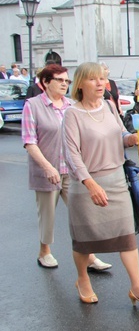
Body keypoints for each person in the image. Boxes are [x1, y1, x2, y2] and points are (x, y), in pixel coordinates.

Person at [63, 62, 139, 309]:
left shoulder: (108, 105)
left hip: (116, 181)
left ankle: (137, 287)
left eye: (102, 79)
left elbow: (120, 136)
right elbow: (72, 155)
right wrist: (90, 184)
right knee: (85, 242)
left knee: (127, 239)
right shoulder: (72, 114)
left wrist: (134, 138)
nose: (100, 84)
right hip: (87, 186)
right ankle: (83, 279)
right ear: (80, 84)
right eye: (93, 79)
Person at [22, 64, 111, 272]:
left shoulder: (71, 105)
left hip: (71, 171)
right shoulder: (33, 106)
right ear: (45, 82)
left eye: (67, 81)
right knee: (48, 215)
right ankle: (44, 251)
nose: (64, 84)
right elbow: (29, 141)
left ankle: (89, 256)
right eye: (59, 80)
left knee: (82, 212)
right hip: (48, 171)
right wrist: (47, 167)